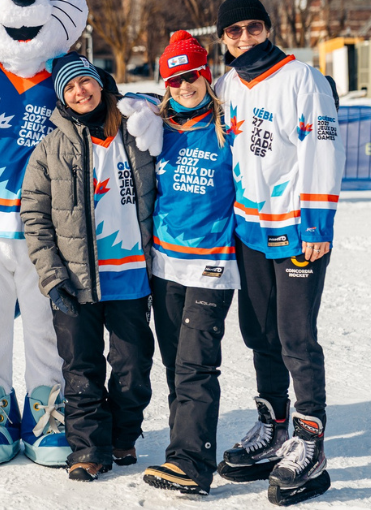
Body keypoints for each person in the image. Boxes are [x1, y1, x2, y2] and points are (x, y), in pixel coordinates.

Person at [212, 0, 344, 505]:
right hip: (249, 229)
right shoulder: (227, 85)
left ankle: (310, 441)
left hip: (296, 229)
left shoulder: (302, 79)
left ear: (267, 29)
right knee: (260, 332)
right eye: (234, 31)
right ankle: (274, 426)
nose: (244, 37)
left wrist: (318, 222)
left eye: (253, 27)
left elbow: (322, 149)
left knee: (295, 336)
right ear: (224, 39)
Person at [20, 53, 156, 482]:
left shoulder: (137, 132)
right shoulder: (50, 149)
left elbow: (171, 107)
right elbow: (34, 217)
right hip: (76, 280)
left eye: (85, 81)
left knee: (134, 366)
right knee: (81, 369)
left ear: (100, 83)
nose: (80, 92)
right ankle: (88, 449)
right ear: (62, 98)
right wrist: (52, 276)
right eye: (70, 87)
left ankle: (122, 435)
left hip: (131, 276)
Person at [140, 32, 239, 496]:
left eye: (191, 76)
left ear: (206, 75)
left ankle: (193, 463)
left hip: (212, 265)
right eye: (175, 79)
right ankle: (180, 452)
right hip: (164, 266)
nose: (184, 86)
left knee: (196, 365)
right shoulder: (157, 128)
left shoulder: (227, 126)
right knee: (174, 364)